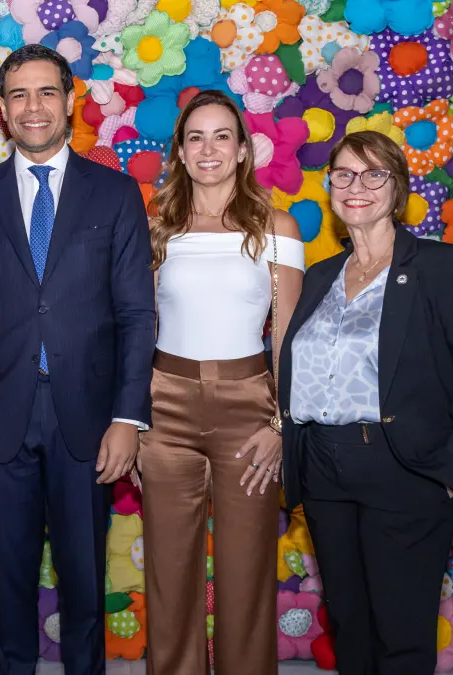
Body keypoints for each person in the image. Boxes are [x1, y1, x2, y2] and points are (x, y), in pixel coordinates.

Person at [0, 44, 155, 675]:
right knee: (10, 589)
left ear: (69, 102)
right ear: (3, 110)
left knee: (85, 587)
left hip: (87, 422)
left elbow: (137, 314)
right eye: (20, 95)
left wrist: (126, 418)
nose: (34, 108)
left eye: (47, 93)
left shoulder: (114, 195)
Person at [278, 130, 453, 675]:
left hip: (404, 467)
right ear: (330, 187)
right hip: (323, 470)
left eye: (373, 174)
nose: (357, 186)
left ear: (397, 189)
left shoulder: (441, 267)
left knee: (401, 632)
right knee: (351, 625)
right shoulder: (319, 277)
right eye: (344, 174)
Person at [139, 90, 303, 675]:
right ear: (180, 152)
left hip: (248, 407)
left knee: (246, 569)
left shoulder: (276, 226)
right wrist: (134, 418)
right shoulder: (158, 227)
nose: (208, 148)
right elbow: (140, 327)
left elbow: (286, 336)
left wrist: (283, 423)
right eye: (195, 137)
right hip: (166, 407)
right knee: (169, 569)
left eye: (221, 136)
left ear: (242, 151)